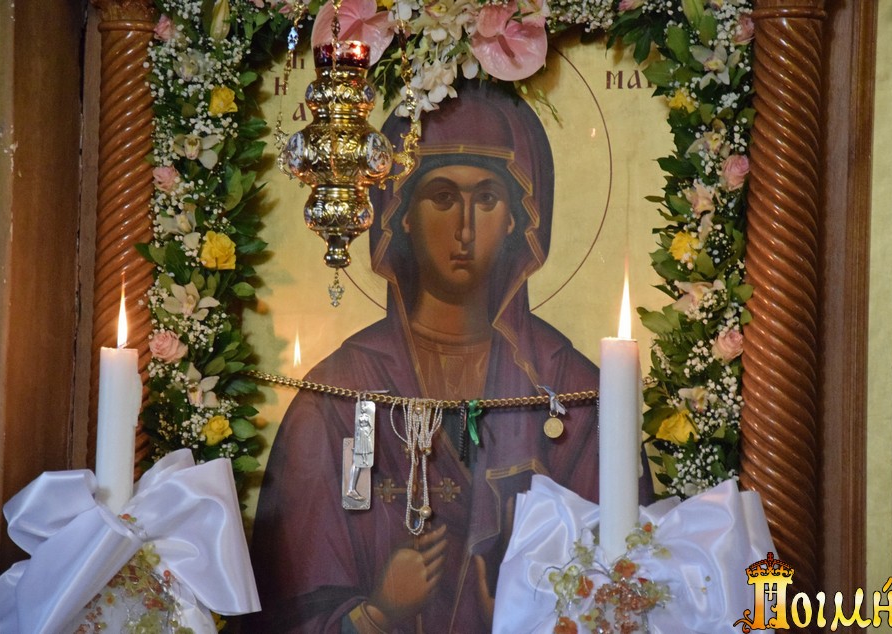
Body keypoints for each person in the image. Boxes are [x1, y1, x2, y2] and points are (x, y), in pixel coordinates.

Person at [248, 80, 651, 633]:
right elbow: (288, 608)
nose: (465, 228)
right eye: (441, 198)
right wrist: (374, 615)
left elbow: (631, 582)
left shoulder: (570, 387)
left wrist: (530, 611)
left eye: (486, 199)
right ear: (401, 214)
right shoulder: (338, 392)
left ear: (517, 219)